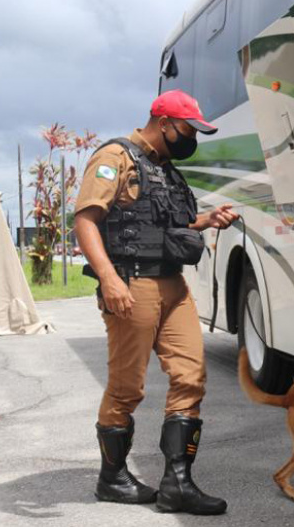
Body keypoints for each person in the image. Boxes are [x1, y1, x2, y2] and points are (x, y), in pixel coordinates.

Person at [74, 90, 239, 515]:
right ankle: (112, 478)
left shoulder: (163, 170)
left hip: (173, 286)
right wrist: (109, 279)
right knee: (127, 386)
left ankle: (177, 485)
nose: (191, 139)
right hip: (132, 285)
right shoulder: (116, 157)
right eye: (187, 129)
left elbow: (171, 223)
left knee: (191, 376)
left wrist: (207, 220)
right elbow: (86, 220)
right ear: (163, 122)